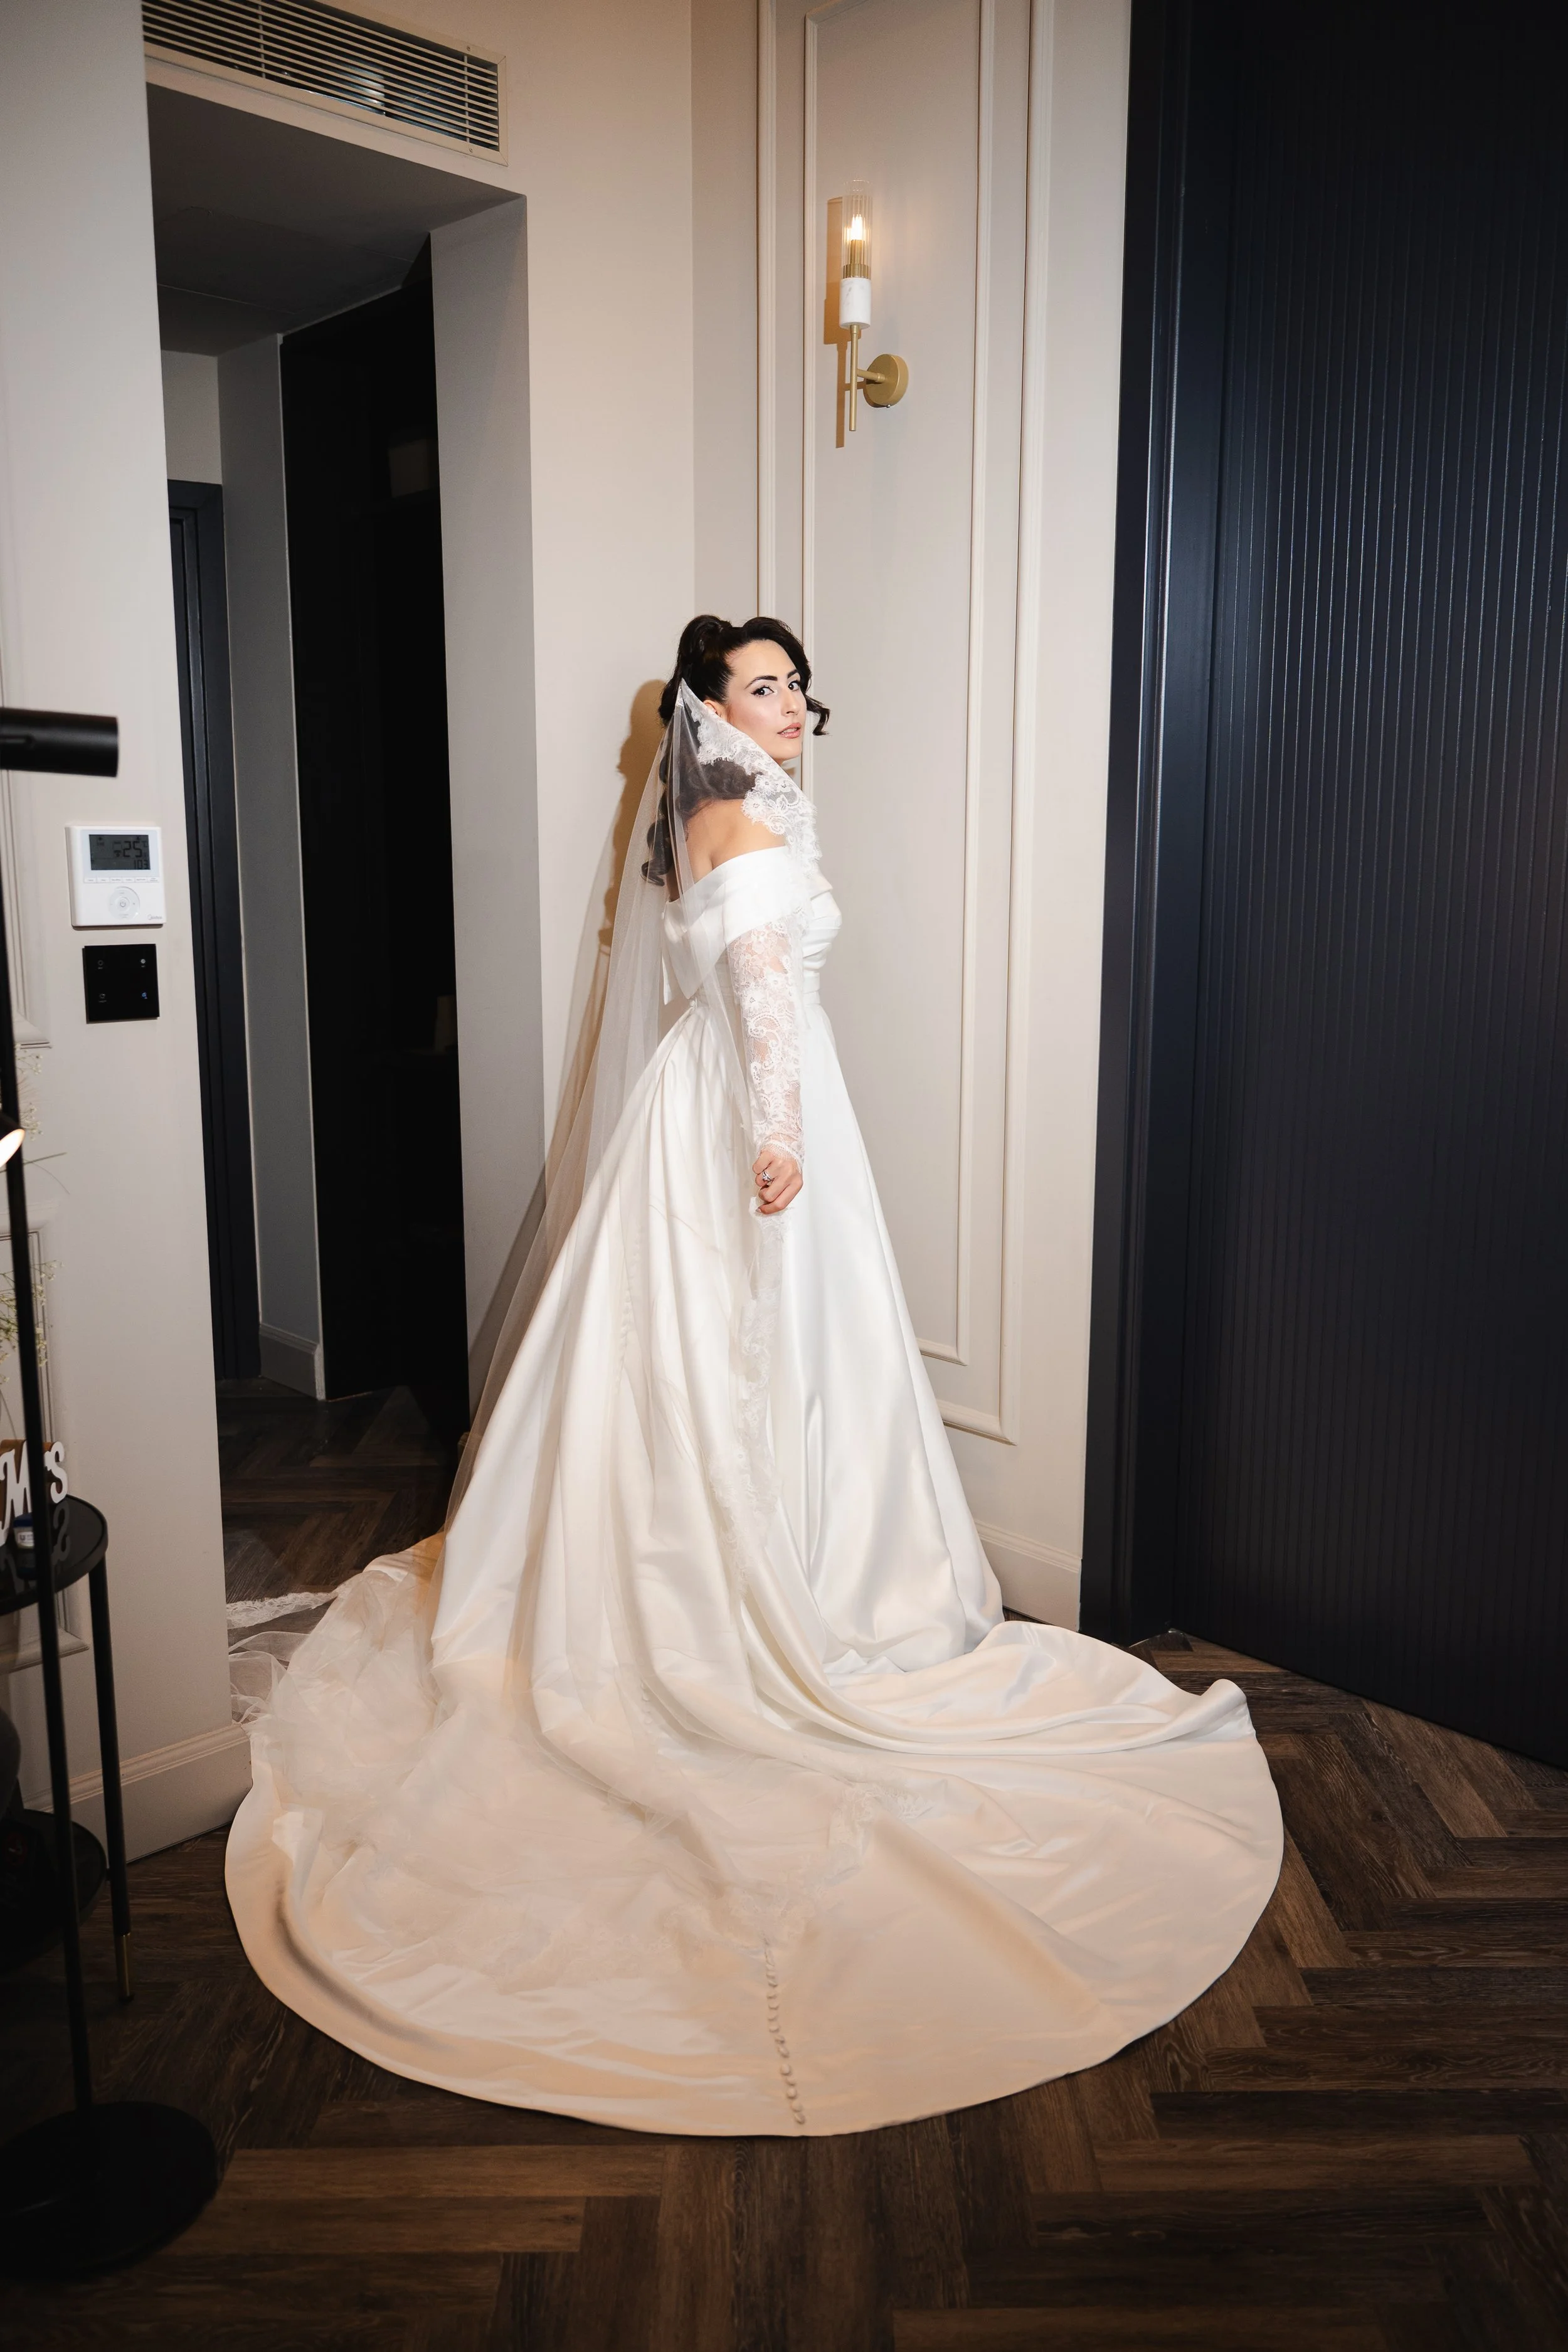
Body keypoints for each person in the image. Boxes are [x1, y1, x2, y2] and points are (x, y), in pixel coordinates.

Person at [226, 615, 1281, 2136]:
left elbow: (749, 969)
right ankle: (751, 1611)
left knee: (742, 1390)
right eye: (765, 688)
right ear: (709, 711)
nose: (794, 709)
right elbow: (762, 991)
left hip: (734, 1113)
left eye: (799, 688)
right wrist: (777, 1143)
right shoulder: (729, 815)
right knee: (735, 1374)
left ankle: (793, 1584)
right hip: (751, 1130)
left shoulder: (727, 812)